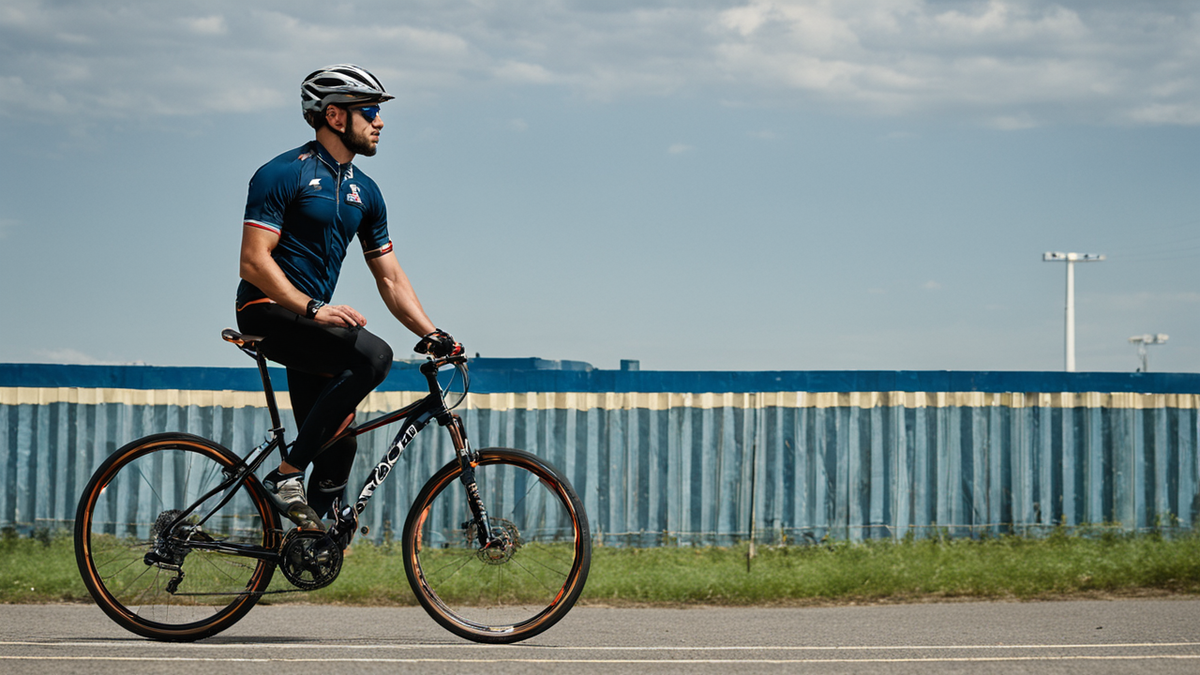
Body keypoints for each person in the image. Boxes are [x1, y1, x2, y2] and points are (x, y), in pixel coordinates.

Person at [235, 64, 460, 530]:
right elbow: (254, 262)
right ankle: (286, 476)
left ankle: (305, 547)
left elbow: (391, 278)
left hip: (311, 325)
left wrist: (432, 332)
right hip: (267, 311)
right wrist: (314, 307)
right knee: (375, 355)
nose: (380, 122)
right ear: (335, 116)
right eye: (371, 110)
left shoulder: (367, 193)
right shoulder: (280, 174)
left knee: (341, 443)